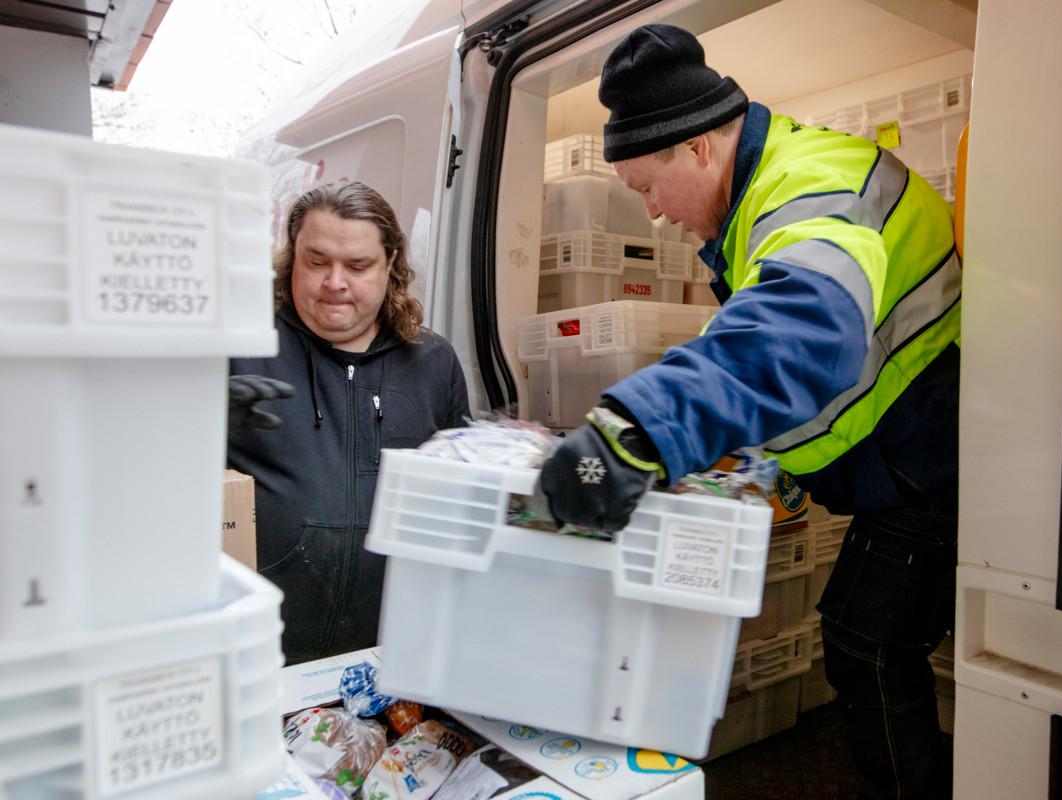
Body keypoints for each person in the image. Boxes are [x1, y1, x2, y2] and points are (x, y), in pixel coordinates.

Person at [538, 24, 959, 799]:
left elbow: (803, 331)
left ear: (697, 148)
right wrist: (769, 458)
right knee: (867, 642)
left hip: (935, 461)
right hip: (905, 461)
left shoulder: (810, 186)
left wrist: (635, 432)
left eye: (646, 189)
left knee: (868, 648)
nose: (655, 214)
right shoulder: (763, 194)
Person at [228, 181, 470, 665]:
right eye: (316, 261)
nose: (334, 282)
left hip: (391, 653)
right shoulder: (240, 347)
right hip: (262, 652)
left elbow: (462, 503)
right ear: (291, 258)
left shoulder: (433, 362)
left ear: (391, 265)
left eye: (357, 266)